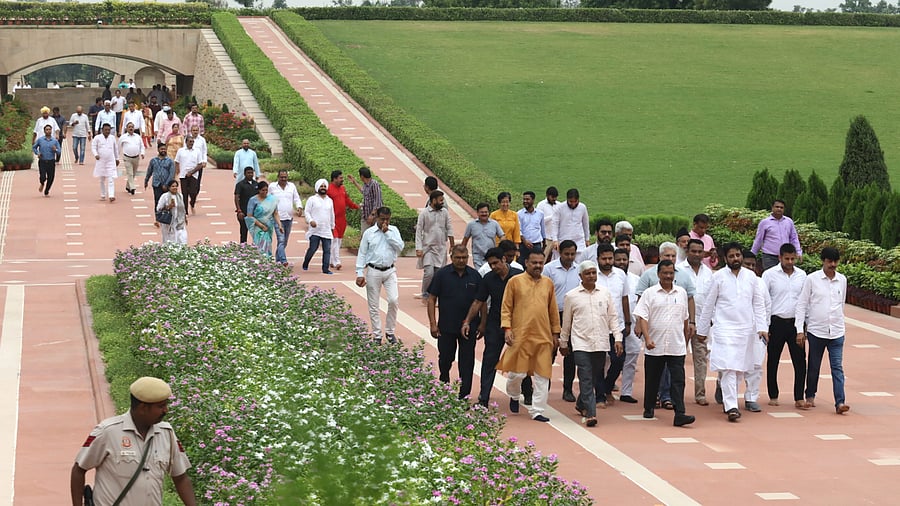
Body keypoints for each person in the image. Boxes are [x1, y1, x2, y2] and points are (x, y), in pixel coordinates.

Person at [71, 377, 197, 506]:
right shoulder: (107, 431)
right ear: (143, 408)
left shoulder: (166, 433)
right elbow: (79, 469)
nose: (166, 410)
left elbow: (181, 478)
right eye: (161, 406)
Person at [696, 242, 768, 422]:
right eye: (731, 256)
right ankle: (732, 406)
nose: (735, 259)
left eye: (738, 255)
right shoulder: (718, 277)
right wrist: (702, 330)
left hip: (746, 330)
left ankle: (731, 401)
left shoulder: (751, 277)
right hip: (724, 329)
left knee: (739, 369)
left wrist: (762, 328)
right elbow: (708, 305)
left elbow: (758, 304)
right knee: (728, 368)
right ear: (725, 258)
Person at [498, 250, 561, 423]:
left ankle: (537, 410)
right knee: (517, 374)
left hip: (543, 337)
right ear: (526, 263)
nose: (538, 266)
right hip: (520, 335)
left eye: (541, 263)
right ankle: (514, 394)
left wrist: (556, 333)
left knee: (543, 376)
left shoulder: (548, 283)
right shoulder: (515, 282)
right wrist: (507, 329)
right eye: (534, 263)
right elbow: (506, 307)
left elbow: (553, 310)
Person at [560, 260, 622, 427]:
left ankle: (581, 403)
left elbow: (613, 317)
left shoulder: (605, 293)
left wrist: (618, 338)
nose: (591, 276)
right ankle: (591, 413)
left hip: (600, 342)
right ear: (580, 276)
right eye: (587, 273)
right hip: (580, 343)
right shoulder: (571, 296)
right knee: (585, 376)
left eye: (594, 273)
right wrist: (563, 342)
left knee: (594, 376)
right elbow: (566, 322)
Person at [633, 260, 696, 427]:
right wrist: (647, 338)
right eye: (665, 273)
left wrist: (685, 338)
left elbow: (684, 317)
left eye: (671, 273)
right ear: (658, 274)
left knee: (678, 380)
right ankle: (649, 407)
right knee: (653, 379)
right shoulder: (650, 293)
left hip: (676, 345)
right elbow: (643, 317)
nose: (668, 276)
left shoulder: (681, 293)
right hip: (655, 344)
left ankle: (679, 413)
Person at [463, 247, 523, 407]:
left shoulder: (519, 277)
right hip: (495, 324)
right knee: (489, 360)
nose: (494, 267)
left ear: (504, 259)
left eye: (496, 263)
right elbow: (478, 301)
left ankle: (520, 396)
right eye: (490, 264)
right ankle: (484, 398)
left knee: (520, 362)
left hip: (518, 325)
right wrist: (467, 321)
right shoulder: (488, 279)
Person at [796, 247, 850, 414]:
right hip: (816, 331)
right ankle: (810, 396)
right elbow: (802, 304)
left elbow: (841, 303)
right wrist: (800, 329)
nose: (832, 265)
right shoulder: (812, 279)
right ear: (823, 261)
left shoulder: (842, 280)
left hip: (837, 331)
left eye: (835, 261)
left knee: (837, 367)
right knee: (814, 366)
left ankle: (840, 402)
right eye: (829, 261)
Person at [428, 245, 481, 399]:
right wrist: (432, 323)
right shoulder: (442, 275)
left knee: (467, 361)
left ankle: (464, 394)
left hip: (469, 327)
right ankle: (444, 381)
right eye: (458, 257)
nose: (461, 260)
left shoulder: (475, 276)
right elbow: (432, 298)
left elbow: (481, 301)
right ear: (451, 257)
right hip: (446, 326)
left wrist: (482, 324)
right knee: (445, 358)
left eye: (464, 257)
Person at [763, 243, 808, 409]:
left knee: (800, 361)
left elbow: (805, 302)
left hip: (796, 324)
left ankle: (799, 397)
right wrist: (765, 326)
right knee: (773, 359)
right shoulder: (769, 275)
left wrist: (803, 328)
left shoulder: (802, 276)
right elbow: (764, 301)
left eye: (792, 258)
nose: (790, 262)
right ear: (779, 257)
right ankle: (773, 395)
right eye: (786, 258)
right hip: (776, 322)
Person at [356, 206, 404, 345]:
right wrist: (360, 272)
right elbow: (362, 253)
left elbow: (400, 247)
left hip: (390, 270)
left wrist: (388, 233)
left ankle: (390, 332)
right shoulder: (369, 233)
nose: (385, 222)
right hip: (373, 270)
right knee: (373, 304)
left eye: (387, 219)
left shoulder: (393, 230)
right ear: (377, 217)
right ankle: (377, 334)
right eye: (382, 219)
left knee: (393, 300)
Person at [541, 240, 580, 402]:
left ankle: (568, 389)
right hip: (552, 315)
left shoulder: (579, 270)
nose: (570, 257)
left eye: (572, 254)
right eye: (566, 254)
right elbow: (543, 292)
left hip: (571, 317)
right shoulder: (549, 269)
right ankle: (544, 386)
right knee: (548, 352)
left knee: (570, 354)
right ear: (560, 253)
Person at [594, 243, 631, 407]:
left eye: (610, 258)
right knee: (598, 362)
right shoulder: (591, 274)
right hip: (597, 325)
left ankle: (607, 387)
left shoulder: (621, 274)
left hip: (618, 325)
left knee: (619, 359)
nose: (608, 261)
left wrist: (628, 321)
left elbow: (624, 299)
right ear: (598, 259)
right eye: (604, 258)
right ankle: (600, 395)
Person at [677, 238, 714, 405]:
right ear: (687, 251)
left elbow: (713, 299)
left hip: (702, 323)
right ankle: (672, 394)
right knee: (676, 359)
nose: (697, 255)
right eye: (694, 251)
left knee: (701, 359)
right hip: (681, 322)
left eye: (700, 252)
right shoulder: (678, 270)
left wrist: (711, 320)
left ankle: (700, 394)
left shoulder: (709, 273)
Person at [741, 248, 771, 413]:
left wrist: (764, 328)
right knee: (732, 365)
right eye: (747, 264)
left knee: (756, 365)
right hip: (736, 329)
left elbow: (767, 306)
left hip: (757, 332)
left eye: (753, 265)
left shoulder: (760, 282)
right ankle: (726, 394)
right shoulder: (730, 280)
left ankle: (751, 397)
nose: (751, 268)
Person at [415, 190, 454, 300]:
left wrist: (452, 244)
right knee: (429, 272)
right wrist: (418, 248)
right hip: (427, 248)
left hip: (441, 248)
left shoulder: (445, 212)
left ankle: (434, 294)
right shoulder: (424, 213)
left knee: (438, 274)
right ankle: (425, 293)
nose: (442, 202)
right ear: (433, 200)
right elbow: (419, 231)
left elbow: (450, 228)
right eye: (440, 200)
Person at [615, 247, 642, 404]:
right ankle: (606, 387)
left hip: (632, 324)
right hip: (612, 324)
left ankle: (626, 391)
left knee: (631, 356)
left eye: (624, 260)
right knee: (609, 359)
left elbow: (640, 303)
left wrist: (637, 323)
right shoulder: (606, 278)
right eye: (618, 259)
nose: (621, 262)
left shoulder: (636, 280)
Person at [752, 200, 803, 271]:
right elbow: (759, 240)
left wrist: (798, 251)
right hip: (769, 257)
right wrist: (752, 255)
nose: (779, 209)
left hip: (785, 257)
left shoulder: (789, 222)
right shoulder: (765, 222)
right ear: (772, 208)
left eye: (781, 207)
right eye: (777, 207)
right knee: (771, 278)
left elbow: (793, 238)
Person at [325, 170, 359, 271]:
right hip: (332, 219)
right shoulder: (329, 189)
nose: (342, 180)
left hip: (342, 219)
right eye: (340, 178)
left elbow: (347, 201)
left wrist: (356, 206)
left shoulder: (343, 188)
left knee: (338, 240)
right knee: (334, 239)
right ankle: (337, 261)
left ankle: (332, 260)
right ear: (334, 179)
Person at [269, 170, 304, 266]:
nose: (283, 179)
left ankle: (277, 260)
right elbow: (267, 199)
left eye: (285, 177)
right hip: (277, 218)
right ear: (278, 177)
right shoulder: (272, 187)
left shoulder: (291, 186)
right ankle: (283, 260)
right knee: (281, 239)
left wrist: (299, 207)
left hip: (289, 218)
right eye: (281, 177)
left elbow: (296, 198)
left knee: (284, 241)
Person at [302, 179, 336, 274]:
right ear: (317, 187)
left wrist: (332, 227)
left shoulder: (330, 201)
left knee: (327, 250)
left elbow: (332, 214)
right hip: (315, 229)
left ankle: (325, 269)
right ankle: (306, 263)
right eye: (321, 186)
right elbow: (307, 212)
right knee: (313, 248)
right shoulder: (312, 199)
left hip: (326, 229)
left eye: (325, 186)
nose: (323, 188)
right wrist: (310, 221)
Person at [462, 203, 505, 270]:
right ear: (477, 213)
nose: (484, 214)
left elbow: (502, 236)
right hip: (478, 257)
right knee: (480, 275)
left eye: (486, 212)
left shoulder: (494, 224)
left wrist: (500, 247)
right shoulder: (471, 225)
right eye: (482, 212)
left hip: (491, 257)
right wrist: (462, 252)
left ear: (489, 212)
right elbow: (465, 239)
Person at [245, 181, 282, 257]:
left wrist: (279, 225)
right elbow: (249, 216)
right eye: (263, 190)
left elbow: (275, 213)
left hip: (268, 226)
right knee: (259, 245)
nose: (265, 192)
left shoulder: (271, 199)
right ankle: (259, 262)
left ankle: (267, 262)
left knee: (267, 244)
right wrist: (261, 226)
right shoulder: (253, 200)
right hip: (258, 227)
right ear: (259, 190)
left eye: (266, 190)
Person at [556, 188, 590, 259]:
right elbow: (555, 224)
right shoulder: (560, 208)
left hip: (579, 241)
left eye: (575, 201)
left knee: (580, 262)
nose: (573, 204)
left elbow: (585, 224)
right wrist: (555, 240)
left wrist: (587, 239)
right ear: (567, 199)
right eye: (571, 201)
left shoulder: (582, 207)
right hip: (564, 239)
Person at [347, 166, 383, 234]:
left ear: (362, 176)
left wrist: (372, 215)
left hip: (374, 217)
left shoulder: (374, 184)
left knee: (375, 236)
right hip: (365, 216)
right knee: (364, 236)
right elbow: (363, 191)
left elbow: (378, 201)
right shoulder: (366, 185)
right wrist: (354, 182)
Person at [174, 135, 204, 213]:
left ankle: (192, 203)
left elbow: (200, 164)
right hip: (183, 175)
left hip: (193, 175)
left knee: (193, 192)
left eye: (192, 142)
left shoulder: (197, 151)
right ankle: (185, 211)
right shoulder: (181, 151)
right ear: (186, 142)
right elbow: (177, 161)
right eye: (190, 141)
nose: (191, 143)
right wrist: (177, 171)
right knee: (185, 193)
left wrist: (192, 172)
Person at [91, 123, 119, 202]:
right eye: (105, 130)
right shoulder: (97, 138)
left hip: (111, 161)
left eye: (109, 130)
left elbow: (115, 149)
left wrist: (117, 158)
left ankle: (111, 195)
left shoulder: (112, 138)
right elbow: (93, 147)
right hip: (101, 161)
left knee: (111, 178)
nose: (107, 131)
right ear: (102, 130)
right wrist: (96, 154)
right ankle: (103, 194)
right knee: (102, 179)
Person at [156, 180, 188, 244]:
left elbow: (182, 208)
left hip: (179, 221)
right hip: (169, 222)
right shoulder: (164, 196)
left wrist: (185, 217)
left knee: (182, 238)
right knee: (170, 240)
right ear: (169, 187)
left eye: (176, 186)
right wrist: (169, 206)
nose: (175, 188)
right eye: (173, 186)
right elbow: (158, 209)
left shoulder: (180, 196)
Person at [518, 191, 546, 264]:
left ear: (533, 200)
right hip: (523, 245)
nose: (525, 201)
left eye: (527, 199)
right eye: (524, 199)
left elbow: (542, 229)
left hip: (536, 245)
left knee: (536, 264)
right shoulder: (519, 214)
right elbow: (519, 230)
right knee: (522, 264)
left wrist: (544, 242)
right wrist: (525, 241)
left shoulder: (540, 214)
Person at [32, 124, 60, 197]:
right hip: (42, 161)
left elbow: (59, 151)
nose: (48, 131)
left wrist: (55, 150)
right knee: (43, 176)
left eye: (49, 129)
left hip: (51, 161)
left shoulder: (54, 141)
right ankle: (42, 183)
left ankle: (47, 190)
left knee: (51, 177)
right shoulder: (40, 140)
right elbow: (34, 147)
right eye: (47, 129)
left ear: (51, 131)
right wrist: (38, 153)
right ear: (44, 131)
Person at [118, 122, 144, 196]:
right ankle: (132, 187)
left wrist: (142, 153)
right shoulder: (123, 137)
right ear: (126, 128)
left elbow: (142, 145)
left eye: (132, 127)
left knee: (133, 173)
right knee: (130, 173)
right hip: (127, 158)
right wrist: (116, 157)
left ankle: (128, 186)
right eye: (129, 127)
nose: (131, 128)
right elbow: (118, 147)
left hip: (136, 158)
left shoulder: (138, 136)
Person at [234, 167, 259, 244]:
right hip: (243, 212)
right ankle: (243, 249)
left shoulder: (256, 184)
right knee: (243, 232)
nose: (250, 174)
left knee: (256, 232)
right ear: (245, 174)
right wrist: (239, 210)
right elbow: (236, 197)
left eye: (251, 173)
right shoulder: (240, 185)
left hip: (255, 213)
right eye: (248, 173)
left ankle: (256, 249)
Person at [536, 186, 560, 259]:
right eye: (552, 197)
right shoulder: (541, 205)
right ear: (547, 195)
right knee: (543, 258)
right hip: (546, 237)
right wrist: (551, 217)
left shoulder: (559, 205)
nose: (554, 199)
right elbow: (538, 220)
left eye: (555, 197)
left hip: (557, 238)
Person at [188, 125, 207, 191]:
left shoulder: (202, 140)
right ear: (191, 131)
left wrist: (204, 161)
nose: (195, 132)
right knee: (189, 178)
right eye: (194, 130)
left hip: (199, 163)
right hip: (189, 162)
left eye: (196, 130)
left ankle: (195, 193)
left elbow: (204, 151)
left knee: (197, 180)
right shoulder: (187, 139)